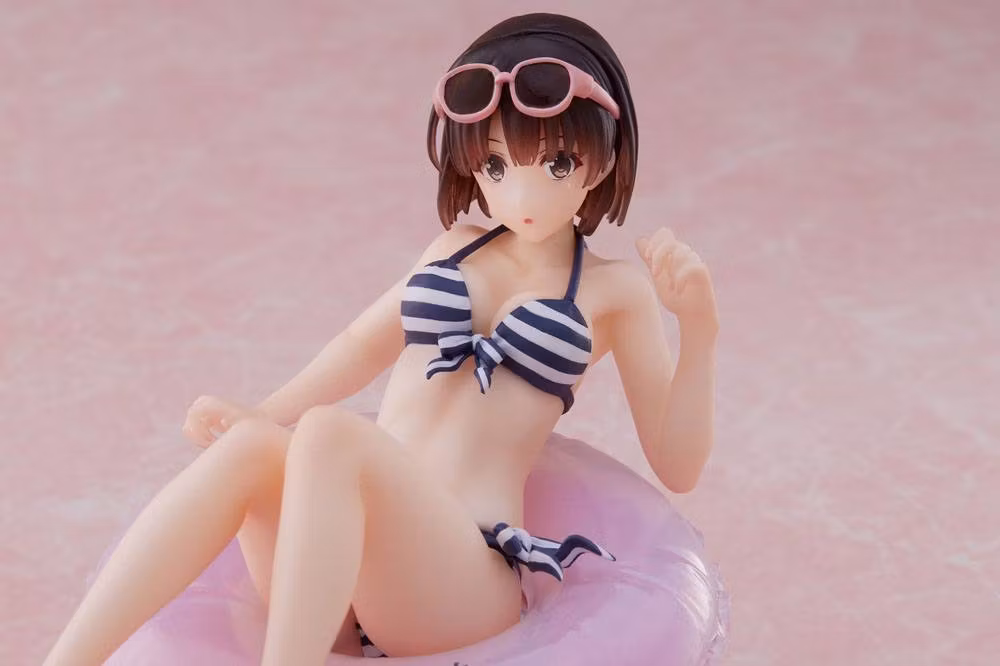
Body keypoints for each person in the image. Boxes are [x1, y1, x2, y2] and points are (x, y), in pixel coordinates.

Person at [42, 12, 719, 665]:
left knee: (331, 436)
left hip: (462, 573)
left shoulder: (613, 291)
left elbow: (677, 464)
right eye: (495, 167)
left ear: (602, 161)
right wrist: (260, 414)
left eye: (557, 163)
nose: (521, 195)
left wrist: (699, 328)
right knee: (254, 446)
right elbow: (357, 346)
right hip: (350, 565)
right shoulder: (453, 248)